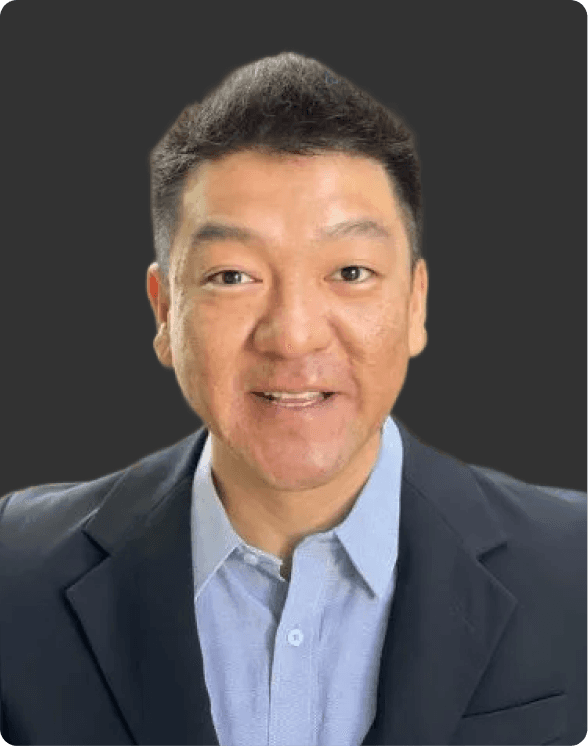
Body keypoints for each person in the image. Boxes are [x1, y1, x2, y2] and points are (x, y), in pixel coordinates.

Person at [0, 52, 585, 746]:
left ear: (416, 303)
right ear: (165, 311)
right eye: (233, 275)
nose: (294, 336)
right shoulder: (16, 569)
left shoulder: (573, 565)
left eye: (351, 271)